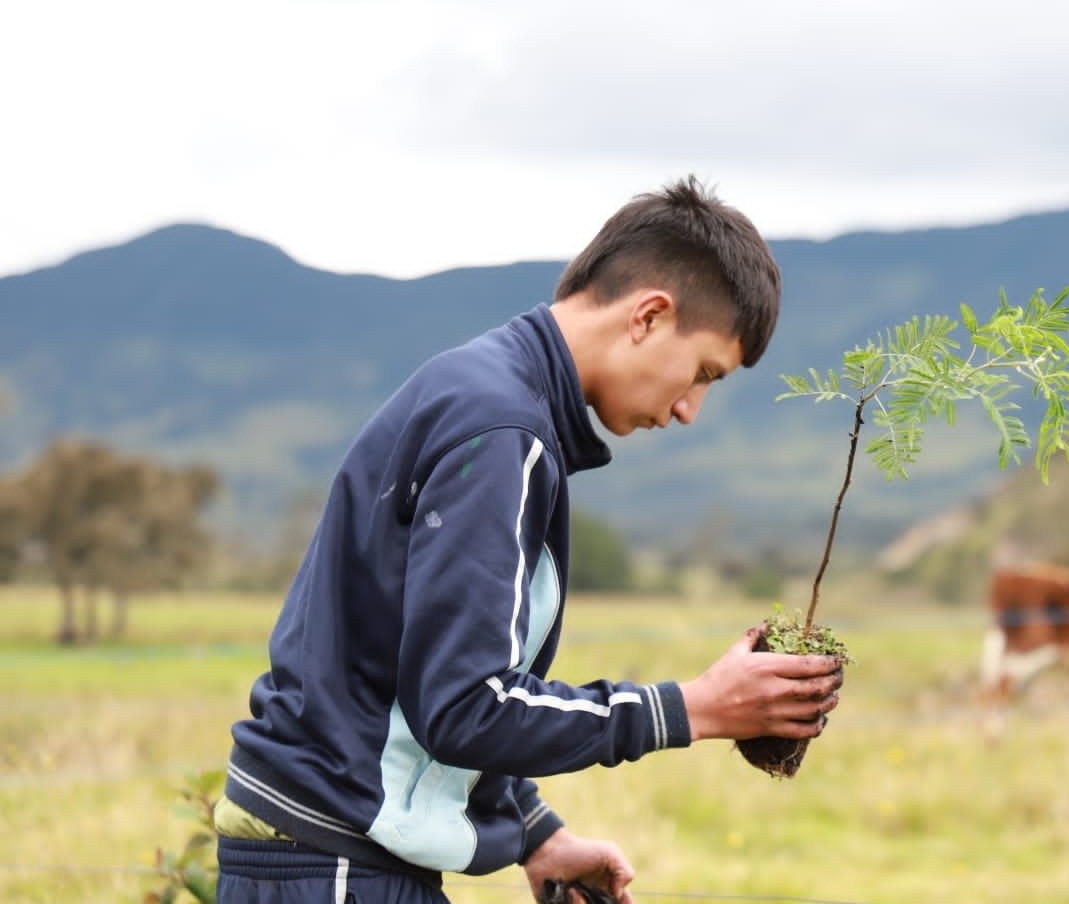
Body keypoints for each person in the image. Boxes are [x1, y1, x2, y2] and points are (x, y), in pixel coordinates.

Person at [215, 177, 846, 904]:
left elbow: (402, 661)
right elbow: (464, 704)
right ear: (647, 316)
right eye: (702, 372)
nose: (689, 410)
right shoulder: (504, 431)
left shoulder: (485, 394)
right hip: (334, 863)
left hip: (319, 848)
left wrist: (535, 829)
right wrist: (693, 708)